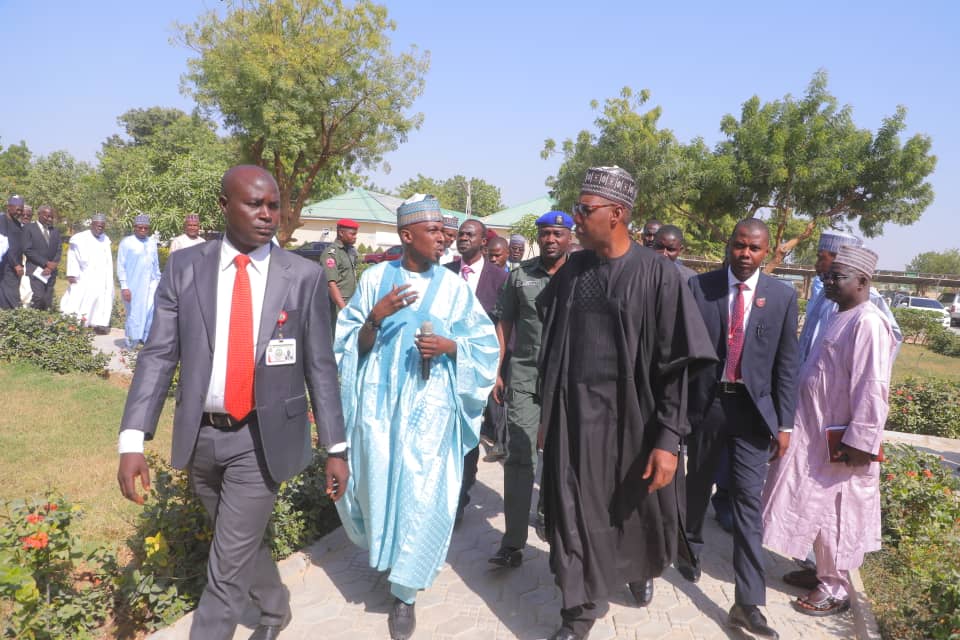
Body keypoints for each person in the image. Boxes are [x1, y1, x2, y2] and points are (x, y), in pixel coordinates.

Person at [116, 165, 348, 640]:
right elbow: (159, 355)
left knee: (224, 572)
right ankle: (275, 605)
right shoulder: (186, 267)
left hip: (261, 439)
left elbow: (320, 366)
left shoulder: (301, 275)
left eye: (273, 206)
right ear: (224, 207)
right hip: (200, 434)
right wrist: (133, 438)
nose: (267, 215)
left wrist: (336, 447)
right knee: (233, 538)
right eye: (254, 204)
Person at [537, 167, 716, 640]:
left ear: (616, 214)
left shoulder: (659, 275)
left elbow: (677, 366)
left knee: (628, 514)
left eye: (585, 210)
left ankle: (631, 571)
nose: (576, 219)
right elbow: (550, 334)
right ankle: (576, 614)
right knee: (571, 514)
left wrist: (668, 440)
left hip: (632, 423)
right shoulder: (573, 270)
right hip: (573, 420)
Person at [334, 194, 498, 640]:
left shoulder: (454, 288)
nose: (444, 239)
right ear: (407, 236)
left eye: (446, 232)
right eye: (434, 232)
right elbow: (349, 346)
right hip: (379, 410)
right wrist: (375, 316)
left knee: (425, 497)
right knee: (382, 487)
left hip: (431, 412)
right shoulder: (373, 280)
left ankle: (405, 594)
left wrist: (450, 347)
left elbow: (485, 346)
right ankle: (386, 559)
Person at [681, 218, 800, 639]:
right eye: (739, 246)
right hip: (707, 406)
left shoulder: (783, 297)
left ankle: (748, 602)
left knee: (749, 504)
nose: (745, 255)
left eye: (754, 248)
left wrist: (785, 424)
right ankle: (688, 547)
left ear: (767, 252)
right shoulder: (700, 288)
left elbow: (787, 366)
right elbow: (685, 355)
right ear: (728, 245)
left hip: (753, 414)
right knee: (696, 484)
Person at [762, 245, 895, 617]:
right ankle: (820, 570)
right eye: (828, 275)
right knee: (813, 506)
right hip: (814, 433)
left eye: (837, 276)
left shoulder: (868, 322)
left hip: (843, 440)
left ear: (863, 281)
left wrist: (860, 441)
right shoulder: (841, 314)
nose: (828, 281)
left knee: (837, 513)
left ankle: (836, 588)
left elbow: (873, 387)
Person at [487, 211, 572, 570]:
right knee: (521, 456)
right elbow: (503, 320)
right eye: (545, 234)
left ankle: (555, 525)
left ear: (569, 237)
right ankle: (513, 543)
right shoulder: (520, 276)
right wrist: (498, 369)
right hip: (524, 376)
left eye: (557, 233)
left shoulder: (582, 274)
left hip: (569, 381)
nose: (550, 239)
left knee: (562, 458)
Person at [446, 219, 509, 523]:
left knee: (471, 432)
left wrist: (497, 371)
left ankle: (462, 492)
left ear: (484, 242)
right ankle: (451, 500)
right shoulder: (444, 274)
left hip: (481, 370)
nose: (463, 238)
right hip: (447, 368)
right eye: (460, 234)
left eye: (470, 235)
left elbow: (503, 327)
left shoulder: (500, 278)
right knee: (450, 434)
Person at [799, 230, 902, 363]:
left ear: (839, 260)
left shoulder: (868, 298)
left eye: (821, 258)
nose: (816, 264)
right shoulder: (823, 292)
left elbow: (891, 339)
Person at [60, 213, 114, 333]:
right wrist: (71, 274)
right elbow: (73, 257)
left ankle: (98, 323)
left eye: (102, 226)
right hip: (84, 276)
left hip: (101, 277)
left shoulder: (105, 240)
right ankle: (74, 323)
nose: (100, 228)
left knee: (101, 300)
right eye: (98, 225)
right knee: (79, 298)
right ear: (92, 224)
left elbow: (108, 261)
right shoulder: (80, 238)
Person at [117, 215, 162, 347]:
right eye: (140, 227)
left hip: (151, 284)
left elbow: (156, 265)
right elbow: (121, 266)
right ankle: (131, 342)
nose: (143, 230)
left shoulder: (152, 242)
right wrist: (124, 287)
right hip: (133, 285)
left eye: (145, 228)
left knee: (150, 312)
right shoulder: (126, 243)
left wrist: (159, 282)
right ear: (134, 228)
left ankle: (146, 339)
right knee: (134, 314)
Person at [22, 205, 61, 310]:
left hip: (50, 272)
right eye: (47, 216)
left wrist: (51, 266)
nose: (50, 219)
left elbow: (58, 250)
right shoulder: (29, 228)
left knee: (47, 299)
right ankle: (33, 319)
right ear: (39, 215)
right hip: (36, 270)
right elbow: (27, 249)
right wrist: (45, 263)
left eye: (52, 217)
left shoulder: (55, 231)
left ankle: (44, 322)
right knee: (39, 297)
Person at [324, 218, 359, 335]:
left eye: (356, 234)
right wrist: (344, 310)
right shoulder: (331, 253)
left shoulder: (350, 251)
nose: (355, 237)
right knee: (336, 339)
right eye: (352, 234)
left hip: (351, 303)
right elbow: (331, 283)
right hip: (338, 306)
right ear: (341, 233)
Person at [0, 195, 25, 309]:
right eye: (17, 209)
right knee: (12, 296)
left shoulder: (17, 223)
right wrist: (15, 264)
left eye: (21, 209)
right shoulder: (2, 220)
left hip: (15, 265)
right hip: (7, 265)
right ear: (8, 207)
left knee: (7, 295)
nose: (19, 212)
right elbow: (4, 245)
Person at [18, 205, 35, 307]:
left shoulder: (35, 228)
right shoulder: (14, 227)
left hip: (30, 262)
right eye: (23, 214)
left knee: (27, 287)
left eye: (28, 215)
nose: (25, 217)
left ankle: (26, 312)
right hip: (15, 261)